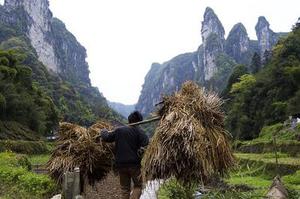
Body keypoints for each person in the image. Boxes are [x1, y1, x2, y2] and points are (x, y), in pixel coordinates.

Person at [100, 111, 149, 199]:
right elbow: (146, 143)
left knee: (125, 188)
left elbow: (107, 137)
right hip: (134, 165)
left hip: (121, 165)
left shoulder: (119, 130)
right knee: (138, 185)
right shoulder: (139, 132)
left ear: (129, 120)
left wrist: (103, 131)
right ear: (139, 122)